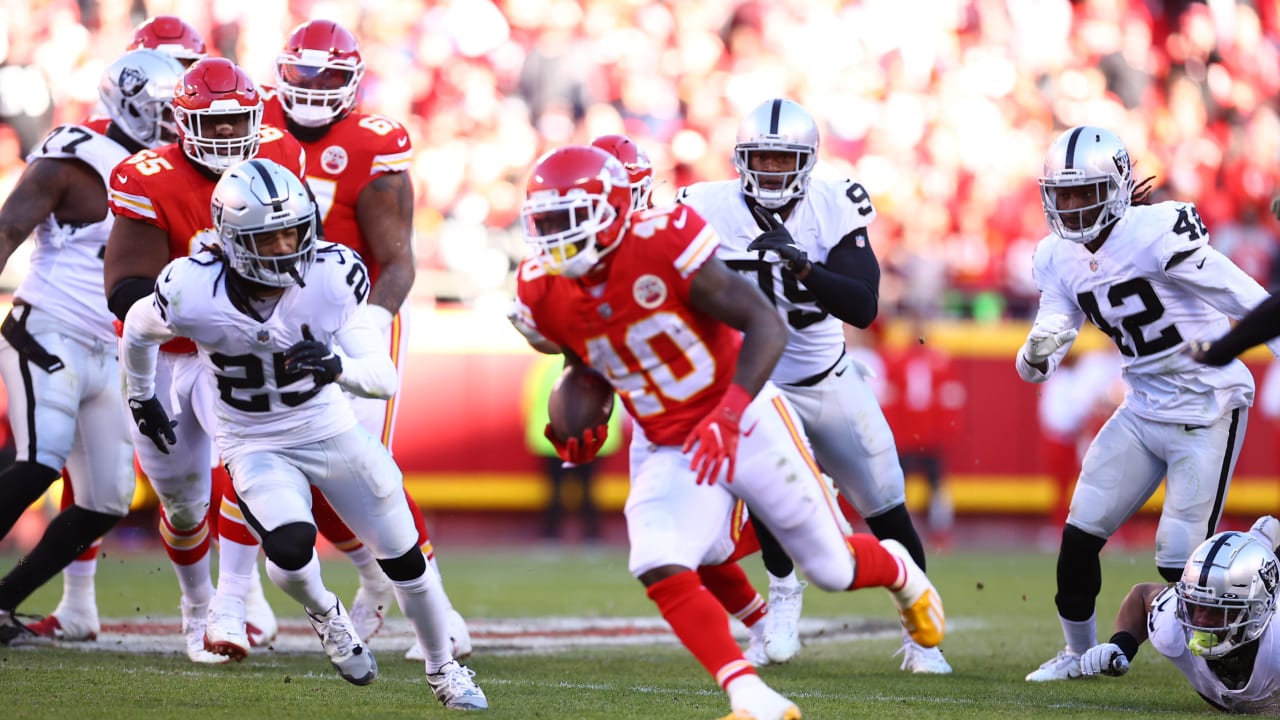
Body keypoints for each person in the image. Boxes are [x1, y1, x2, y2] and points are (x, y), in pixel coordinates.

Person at [511, 144, 945, 719]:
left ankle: (900, 571)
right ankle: (750, 695)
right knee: (656, 556)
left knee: (832, 568)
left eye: (569, 221)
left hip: (747, 416)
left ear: (612, 210)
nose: (555, 238)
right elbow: (583, 363)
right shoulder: (541, 289)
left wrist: (729, 413)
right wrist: (573, 418)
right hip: (671, 440)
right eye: (545, 223)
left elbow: (764, 324)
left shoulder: (665, 239)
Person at [119, 158, 486, 708]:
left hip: (330, 430)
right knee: (289, 551)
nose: (288, 245)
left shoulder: (332, 276)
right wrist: (142, 394)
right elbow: (138, 329)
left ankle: (444, 668)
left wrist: (337, 366)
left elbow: (381, 378)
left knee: (405, 558)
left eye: (295, 229)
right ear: (235, 240)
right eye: (271, 237)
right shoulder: (193, 288)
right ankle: (328, 615)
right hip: (255, 444)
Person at [676, 97, 950, 674]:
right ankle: (782, 599)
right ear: (741, 159)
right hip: (758, 383)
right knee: (769, 497)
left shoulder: (833, 201)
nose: (773, 171)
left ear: (808, 161)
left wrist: (803, 266)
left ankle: (923, 639)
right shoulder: (704, 206)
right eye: (763, 158)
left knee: (886, 507)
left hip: (827, 380)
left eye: (784, 159)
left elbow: (864, 305)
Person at [1017, 125, 1280, 681]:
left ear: (1115, 187)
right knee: (1079, 536)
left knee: (1176, 561)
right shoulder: (1055, 256)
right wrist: (1037, 353)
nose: (1069, 206)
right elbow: (1056, 321)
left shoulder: (1156, 231)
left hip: (1207, 406)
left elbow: (1242, 294)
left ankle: (1263, 556)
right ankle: (1077, 654)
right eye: (1060, 194)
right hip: (1142, 407)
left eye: (1082, 192)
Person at [258, 18, 470, 662]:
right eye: (303, 72)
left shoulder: (375, 143)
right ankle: (372, 573)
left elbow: (398, 259)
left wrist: (369, 329)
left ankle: (441, 609)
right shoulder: (250, 121)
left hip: (353, 316)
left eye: (328, 75)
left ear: (352, 82)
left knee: (364, 467)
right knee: (290, 470)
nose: (314, 86)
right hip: (266, 319)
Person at [103, 56, 304, 663]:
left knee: (255, 466)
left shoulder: (281, 155)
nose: (225, 135)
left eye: (237, 121)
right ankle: (196, 606)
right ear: (181, 121)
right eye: (211, 124)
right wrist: (202, 303)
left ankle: (231, 604)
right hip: (163, 353)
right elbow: (125, 286)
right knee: (183, 499)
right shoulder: (148, 177)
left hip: (235, 350)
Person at [0, 49, 184, 647]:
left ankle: (2, 603)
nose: (173, 123)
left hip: (111, 349)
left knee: (107, 498)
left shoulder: (173, 169)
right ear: (126, 103)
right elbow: (7, 229)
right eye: (162, 111)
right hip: (47, 327)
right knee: (38, 460)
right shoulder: (75, 155)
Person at [588, 132, 785, 667]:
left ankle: (783, 606)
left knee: (758, 531)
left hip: (714, 408)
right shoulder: (580, 257)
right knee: (674, 544)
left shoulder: (673, 235)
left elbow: (739, 320)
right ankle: (759, 623)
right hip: (651, 417)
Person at [1080, 519, 1280, 713]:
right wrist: (1121, 645)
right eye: (1196, 607)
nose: (1201, 621)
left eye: (1218, 611)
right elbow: (1142, 596)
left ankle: (1260, 536)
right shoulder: (1173, 628)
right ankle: (1259, 536)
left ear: (1258, 611)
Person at [522, 352, 622, 543]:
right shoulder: (597, 363)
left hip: (554, 439)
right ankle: (589, 537)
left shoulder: (548, 365)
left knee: (564, 490)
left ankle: (554, 537)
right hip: (580, 439)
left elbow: (531, 399)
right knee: (582, 489)